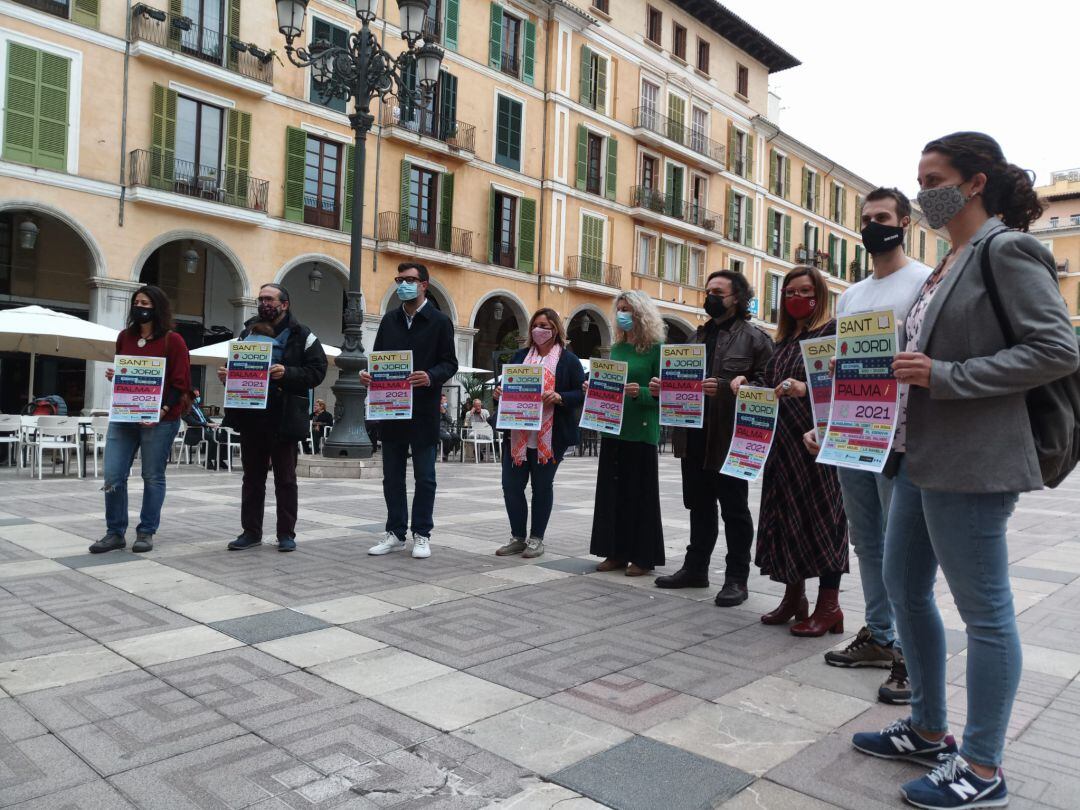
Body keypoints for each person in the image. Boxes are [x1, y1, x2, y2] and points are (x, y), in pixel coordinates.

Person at [851, 133, 1078, 810]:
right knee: (902, 586)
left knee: (985, 612)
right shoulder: (947, 261)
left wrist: (949, 376)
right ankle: (927, 726)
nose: (923, 192)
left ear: (975, 183)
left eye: (935, 177)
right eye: (919, 179)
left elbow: (1056, 348)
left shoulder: (1006, 249)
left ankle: (982, 766)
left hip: (975, 460)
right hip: (920, 454)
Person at [821, 188, 934, 705]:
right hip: (851, 434)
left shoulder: (924, 281)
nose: (873, 226)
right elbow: (841, 368)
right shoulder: (850, 295)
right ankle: (880, 636)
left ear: (904, 222)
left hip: (899, 436)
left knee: (900, 550)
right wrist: (825, 422)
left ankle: (911, 655)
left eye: (882, 218)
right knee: (866, 542)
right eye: (866, 219)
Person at [734, 266, 848, 636]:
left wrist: (806, 388)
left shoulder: (831, 334)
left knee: (825, 522)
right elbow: (768, 385)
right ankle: (794, 598)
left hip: (818, 446)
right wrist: (745, 385)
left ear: (820, 295)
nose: (797, 298)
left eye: (805, 291)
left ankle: (828, 606)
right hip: (782, 448)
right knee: (786, 520)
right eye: (789, 293)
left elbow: (846, 384)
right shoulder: (781, 341)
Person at [649, 271, 773, 606]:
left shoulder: (756, 339)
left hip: (730, 439)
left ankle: (736, 578)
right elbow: (680, 378)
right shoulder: (695, 335)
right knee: (699, 505)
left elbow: (769, 386)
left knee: (734, 510)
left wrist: (733, 389)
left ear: (738, 297)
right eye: (707, 290)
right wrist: (664, 388)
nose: (710, 296)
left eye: (718, 291)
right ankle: (696, 567)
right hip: (693, 437)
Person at [219, 284, 327, 553]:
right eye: (261, 299)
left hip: (285, 416)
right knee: (252, 478)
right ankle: (250, 532)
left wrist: (287, 373)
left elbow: (317, 371)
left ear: (284, 304)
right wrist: (228, 377)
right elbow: (239, 368)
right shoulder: (247, 333)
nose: (264, 303)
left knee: (286, 479)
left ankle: (286, 534)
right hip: (251, 417)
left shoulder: (304, 335)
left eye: (270, 299)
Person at [364, 263, 458, 559]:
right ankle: (394, 532)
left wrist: (431, 376)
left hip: (424, 411)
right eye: (400, 279)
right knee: (391, 476)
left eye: (410, 280)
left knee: (425, 476)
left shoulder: (440, 321)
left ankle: (422, 534)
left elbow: (450, 363)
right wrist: (369, 375)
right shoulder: (389, 320)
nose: (404, 284)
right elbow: (379, 358)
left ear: (424, 285)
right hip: (391, 410)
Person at [91, 285, 191, 554]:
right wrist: (119, 376)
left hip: (160, 418)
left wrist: (160, 411)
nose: (141, 307)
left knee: (152, 475)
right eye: (137, 302)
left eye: (146, 302)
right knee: (113, 474)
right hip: (125, 416)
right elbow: (129, 373)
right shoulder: (124, 337)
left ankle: (146, 531)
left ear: (157, 307)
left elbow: (180, 382)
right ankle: (114, 532)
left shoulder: (174, 341)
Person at [493, 308, 586, 559]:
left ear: (555, 329)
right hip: (517, 434)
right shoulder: (520, 356)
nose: (539, 330)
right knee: (511, 486)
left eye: (545, 326)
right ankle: (517, 537)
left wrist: (560, 397)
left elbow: (581, 393)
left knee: (542, 487)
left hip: (550, 437)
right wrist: (499, 393)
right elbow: (504, 385)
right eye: (536, 325)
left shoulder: (568, 361)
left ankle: (536, 539)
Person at [589, 291, 666, 576]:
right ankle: (615, 552)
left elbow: (667, 394)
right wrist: (594, 390)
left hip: (642, 432)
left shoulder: (656, 348)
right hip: (614, 430)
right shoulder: (618, 348)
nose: (622, 314)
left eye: (628, 309)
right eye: (619, 309)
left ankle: (643, 557)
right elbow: (609, 382)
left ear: (641, 314)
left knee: (640, 497)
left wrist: (642, 393)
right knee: (613, 496)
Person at [182, 387, 220, 470]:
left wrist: (214, 423)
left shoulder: (196, 406)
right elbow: (192, 422)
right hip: (195, 431)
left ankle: (220, 460)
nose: (197, 398)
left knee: (221, 436)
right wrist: (207, 424)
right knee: (213, 438)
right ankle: (208, 461)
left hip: (204, 430)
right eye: (196, 396)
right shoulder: (185, 409)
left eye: (198, 396)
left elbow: (205, 417)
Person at [439, 394, 460, 461]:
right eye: (444, 399)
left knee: (457, 437)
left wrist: (444, 413)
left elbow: (450, 421)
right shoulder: (434, 409)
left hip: (446, 430)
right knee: (447, 437)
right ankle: (445, 453)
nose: (446, 401)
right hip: (438, 430)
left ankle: (447, 451)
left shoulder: (445, 410)